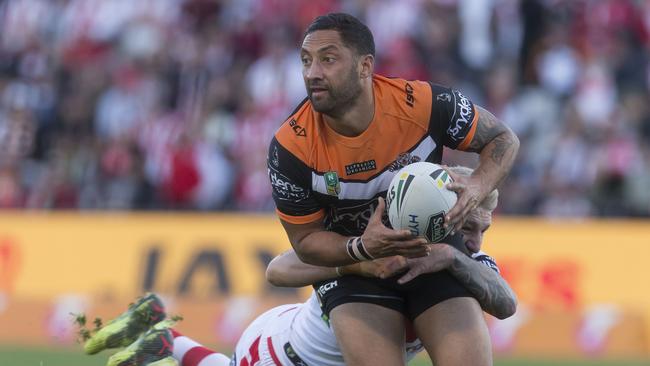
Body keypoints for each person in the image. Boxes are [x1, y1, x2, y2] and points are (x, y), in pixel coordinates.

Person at [267, 12, 519, 366]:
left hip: (430, 251)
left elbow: (502, 138)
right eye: (306, 61)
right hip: (360, 270)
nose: (312, 73)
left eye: (328, 59)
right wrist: (360, 248)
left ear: (365, 66)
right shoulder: (290, 147)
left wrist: (476, 187)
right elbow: (305, 244)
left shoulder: (424, 105)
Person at [83, 167, 516, 366]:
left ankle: (160, 332)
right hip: (281, 350)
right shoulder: (380, 247)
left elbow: (505, 302)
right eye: (467, 227)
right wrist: (356, 264)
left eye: (483, 229)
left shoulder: (465, 263)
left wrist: (454, 256)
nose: (474, 240)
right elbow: (277, 270)